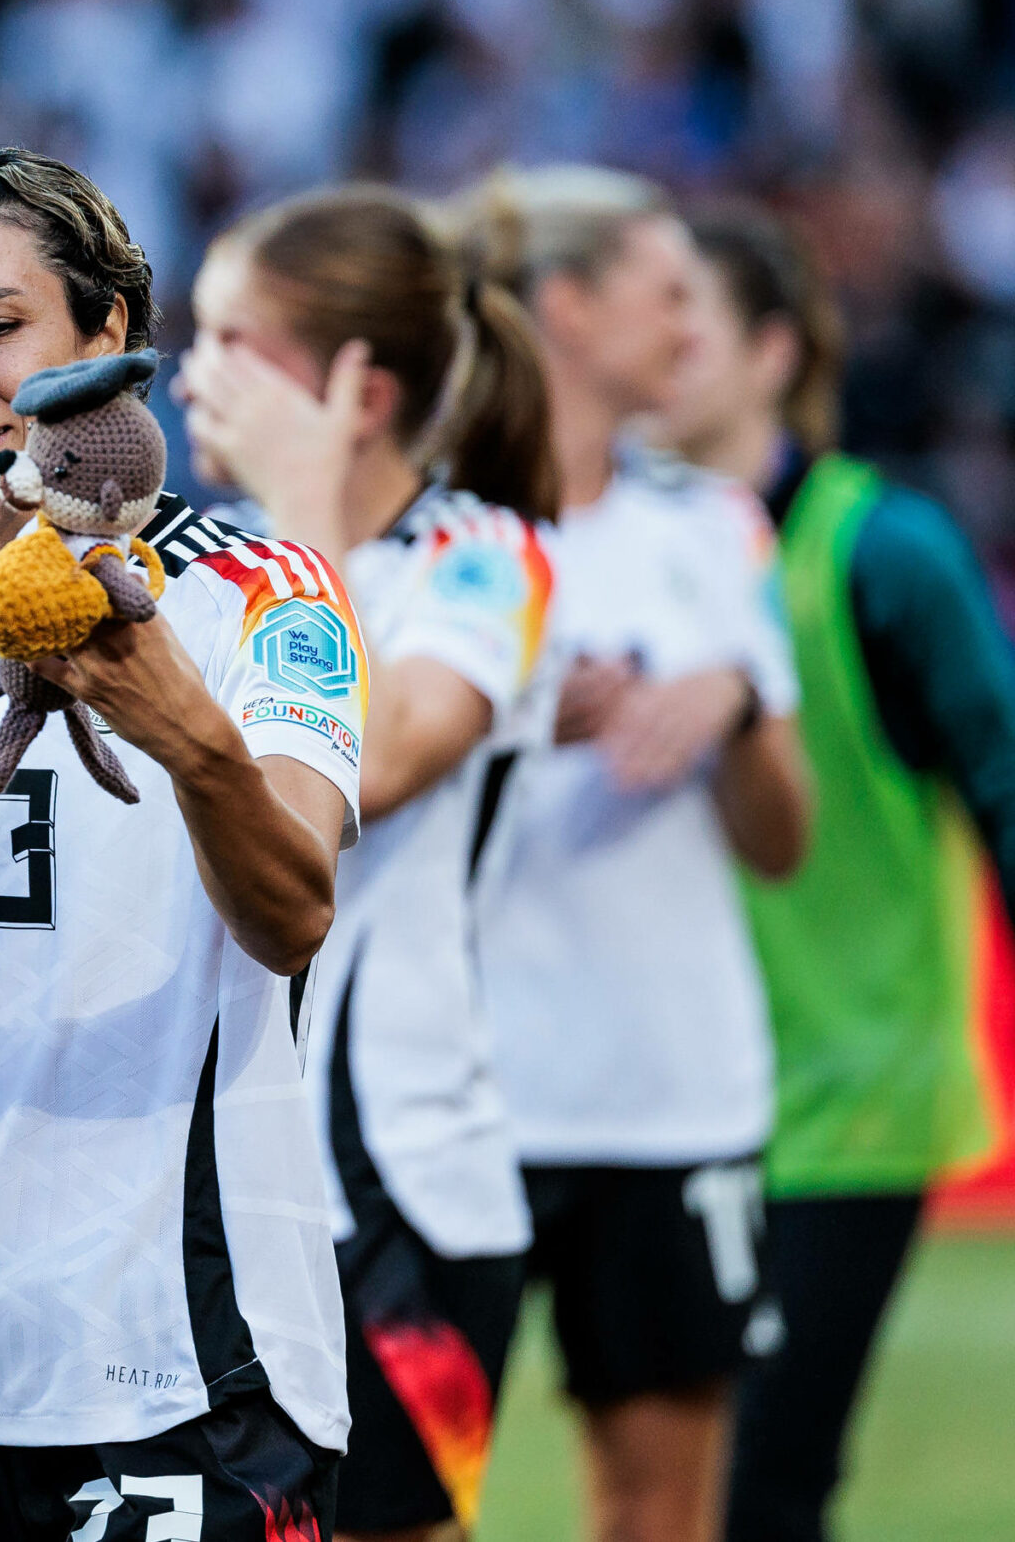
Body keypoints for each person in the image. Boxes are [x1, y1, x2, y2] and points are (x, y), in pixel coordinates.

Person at [0, 146, 362, 1541]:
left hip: (190, 1367)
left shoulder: (258, 597)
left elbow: (294, 911)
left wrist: (185, 731)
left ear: (106, 338)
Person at [177, 185, 558, 1542]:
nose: (189, 374)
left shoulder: (481, 556)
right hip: (231, 1173)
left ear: (357, 384)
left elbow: (371, 766)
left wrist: (304, 509)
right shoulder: (202, 567)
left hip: (403, 1177)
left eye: (232, 341)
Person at [454, 166, 813, 1542]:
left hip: (671, 1099)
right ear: (567, 306)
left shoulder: (713, 530)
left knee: (660, 1513)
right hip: (458, 1107)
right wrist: (512, 714)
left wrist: (739, 701)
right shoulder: (428, 534)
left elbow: (779, 845)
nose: (688, 332)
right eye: (667, 296)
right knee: (395, 1504)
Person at [648, 203, 1015, 1542]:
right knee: (666, 1489)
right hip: (671, 1100)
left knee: (765, 1485)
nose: (653, 345)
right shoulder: (612, 551)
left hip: (852, 1092)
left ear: (771, 350)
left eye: (686, 317)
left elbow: (1006, 782)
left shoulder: (882, 552)